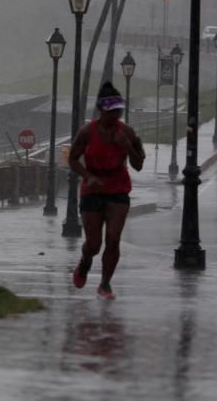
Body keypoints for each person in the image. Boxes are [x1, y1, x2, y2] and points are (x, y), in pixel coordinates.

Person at [69, 81, 145, 299]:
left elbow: (139, 165)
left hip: (118, 188)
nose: (115, 116)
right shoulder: (87, 131)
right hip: (92, 189)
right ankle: (84, 263)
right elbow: (73, 159)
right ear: (101, 110)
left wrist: (128, 146)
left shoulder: (127, 132)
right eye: (111, 111)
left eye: (118, 111)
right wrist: (88, 176)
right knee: (94, 244)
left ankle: (105, 284)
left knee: (113, 238)